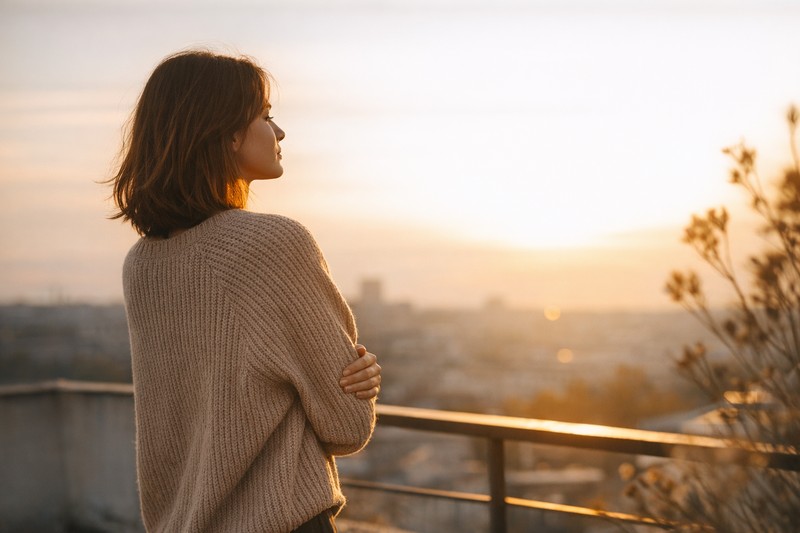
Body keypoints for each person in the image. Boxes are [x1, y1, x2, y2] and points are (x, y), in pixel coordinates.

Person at [109, 50, 381, 533]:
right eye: (266, 115)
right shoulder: (271, 244)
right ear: (228, 132)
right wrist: (361, 383)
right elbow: (346, 426)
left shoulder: (142, 264)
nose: (278, 133)